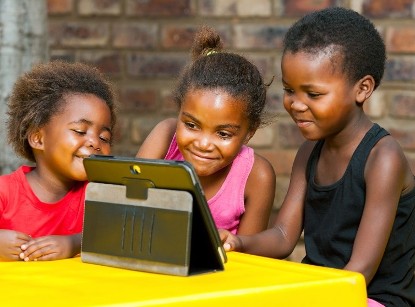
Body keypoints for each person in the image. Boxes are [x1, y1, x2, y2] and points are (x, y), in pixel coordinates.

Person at [220, 7, 415, 307]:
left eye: (313, 94)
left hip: (372, 297)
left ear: (362, 89)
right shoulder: (310, 151)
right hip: (324, 288)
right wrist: (239, 243)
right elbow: (285, 235)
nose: (296, 104)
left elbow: (359, 272)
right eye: (289, 90)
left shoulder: (383, 158)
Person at [136, 26, 276, 236]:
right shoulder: (165, 137)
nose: (203, 144)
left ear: (249, 133)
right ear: (180, 111)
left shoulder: (257, 176)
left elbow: (248, 259)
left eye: (223, 134)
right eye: (191, 125)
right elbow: (126, 203)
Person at [0, 61, 117, 262]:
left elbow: (117, 236)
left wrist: (73, 244)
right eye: (80, 131)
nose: (94, 143)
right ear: (38, 138)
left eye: (104, 138)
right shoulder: (5, 192)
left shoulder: (99, 193)